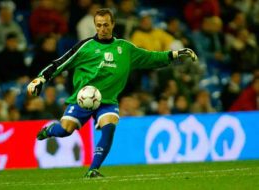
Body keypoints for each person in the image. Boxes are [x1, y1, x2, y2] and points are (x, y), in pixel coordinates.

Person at [27, 8, 197, 178]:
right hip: (82, 99)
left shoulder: (125, 48)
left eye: (106, 25)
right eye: (99, 25)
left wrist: (176, 54)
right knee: (65, 130)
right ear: (95, 26)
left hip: (107, 100)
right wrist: (40, 79)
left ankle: (93, 170)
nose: (102, 29)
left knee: (109, 127)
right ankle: (50, 131)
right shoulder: (85, 47)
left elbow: (151, 58)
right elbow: (60, 63)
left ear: (113, 24)